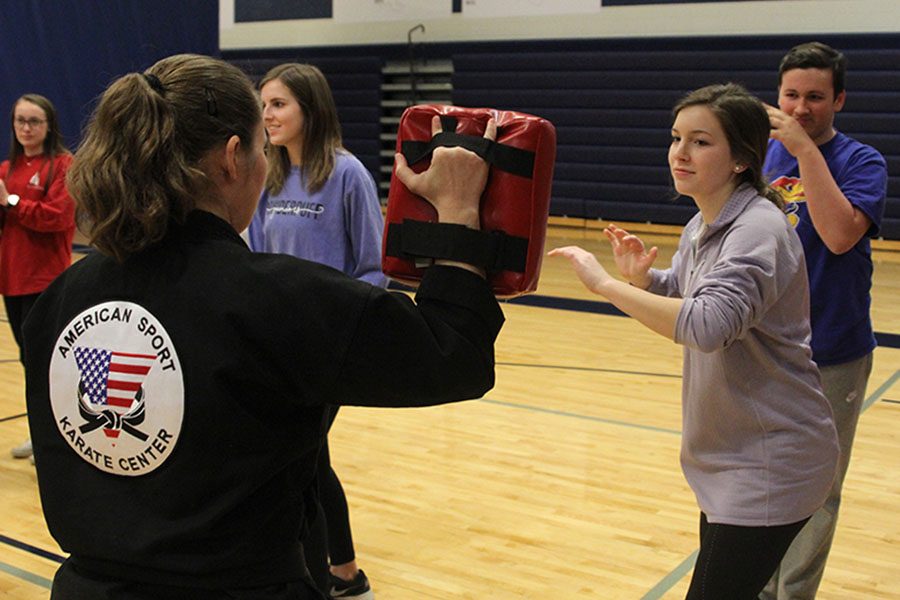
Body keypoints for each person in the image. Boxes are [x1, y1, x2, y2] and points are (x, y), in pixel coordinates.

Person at [22, 53, 502, 600]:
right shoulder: (275, 299)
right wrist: (460, 214)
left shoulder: (60, 300)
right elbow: (452, 352)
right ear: (232, 158)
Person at [550, 83, 839, 600]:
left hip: (771, 460)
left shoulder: (757, 230)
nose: (680, 153)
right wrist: (645, 279)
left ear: (740, 160)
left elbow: (707, 325)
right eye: (676, 137)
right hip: (732, 455)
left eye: (701, 142)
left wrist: (605, 286)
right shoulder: (704, 222)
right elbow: (688, 293)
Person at [247, 62, 386, 600]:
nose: (267, 115)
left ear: (311, 107)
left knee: (305, 455)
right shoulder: (269, 174)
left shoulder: (348, 174)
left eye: (278, 104)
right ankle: (339, 573)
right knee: (302, 458)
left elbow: (374, 267)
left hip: (327, 347)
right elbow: (256, 259)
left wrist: (339, 322)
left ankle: (340, 575)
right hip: (277, 345)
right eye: (264, 106)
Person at [760, 42, 888, 600]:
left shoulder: (862, 161)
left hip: (834, 347)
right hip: (763, 343)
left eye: (815, 97)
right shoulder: (757, 156)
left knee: (818, 488)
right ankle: (756, 586)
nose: (801, 107)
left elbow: (839, 235)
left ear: (838, 99)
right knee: (759, 478)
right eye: (791, 95)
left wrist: (802, 151)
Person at [0, 94, 75, 462]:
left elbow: (58, 217)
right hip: (11, 278)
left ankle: (57, 437)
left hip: (45, 278)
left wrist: (12, 203)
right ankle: (40, 432)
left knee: (48, 361)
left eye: (34, 121)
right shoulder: (6, 169)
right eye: (20, 121)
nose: (26, 128)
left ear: (49, 126)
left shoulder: (63, 165)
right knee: (29, 360)